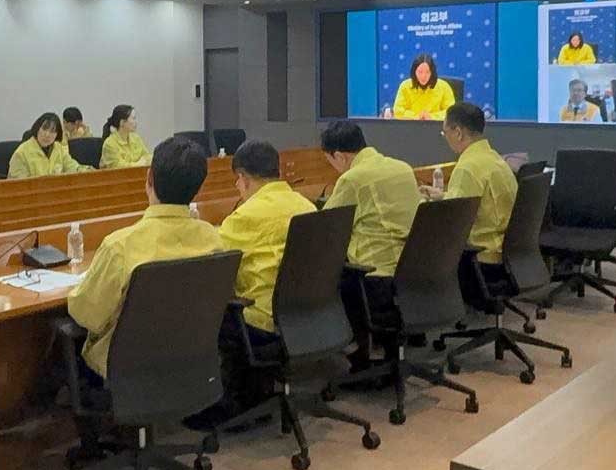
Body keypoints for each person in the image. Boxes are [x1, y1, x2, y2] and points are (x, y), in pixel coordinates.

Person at [67, 136, 221, 394]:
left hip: (127, 364)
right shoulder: (213, 238)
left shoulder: (120, 246)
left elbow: (87, 316)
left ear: (148, 179)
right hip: (188, 356)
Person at [211, 140, 316, 415]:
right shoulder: (306, 206)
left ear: (243, 178)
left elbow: (214, 261)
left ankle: (229, 401)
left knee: (205, 310)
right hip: (308, 315)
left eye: (237, 180)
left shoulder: (244, 217)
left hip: (263, 320)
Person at [320, 121, 422, 371]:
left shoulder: (353, 179)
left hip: (375, 282)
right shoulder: (402, 168)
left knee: (323, 282)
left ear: (339, 156)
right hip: (414, 276)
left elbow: (326, 226)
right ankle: (382, 350)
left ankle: (360, 356)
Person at [419, 103, 518, 265]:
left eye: (445, 132)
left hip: (480, 259)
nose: (445, 137)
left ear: (458, 133)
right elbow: (481, 203)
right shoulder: (495, 159)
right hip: (505, 251)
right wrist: (443, 196)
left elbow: (455, 222)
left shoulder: (467, 168)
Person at [8, 113, 93, 178]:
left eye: (52, 131)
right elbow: (18, 186)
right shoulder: (21, 153)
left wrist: (88, 171)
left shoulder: (58, 148)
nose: (47, 135)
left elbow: (72, 167)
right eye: (44, 129)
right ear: (37, 128)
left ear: (57, 134)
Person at [392, 53, 456, 120]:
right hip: (411, 126)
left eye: (427, 72)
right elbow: (398, 111)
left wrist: (431, 117)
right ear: (414, 72)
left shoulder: (444, 86)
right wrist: (416, 116)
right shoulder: (405, 86)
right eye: (420, 72)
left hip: (436, 127)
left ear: (432, 72)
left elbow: (451, 113)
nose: (423, 76)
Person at [99, 104, 152, 169]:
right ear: (122, 122)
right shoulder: (109, 144)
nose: (136, 122)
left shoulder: (136, 138)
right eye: (133, 118)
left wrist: (144, 161)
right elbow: (119, 168)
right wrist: (139, 164)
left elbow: (148, 157)